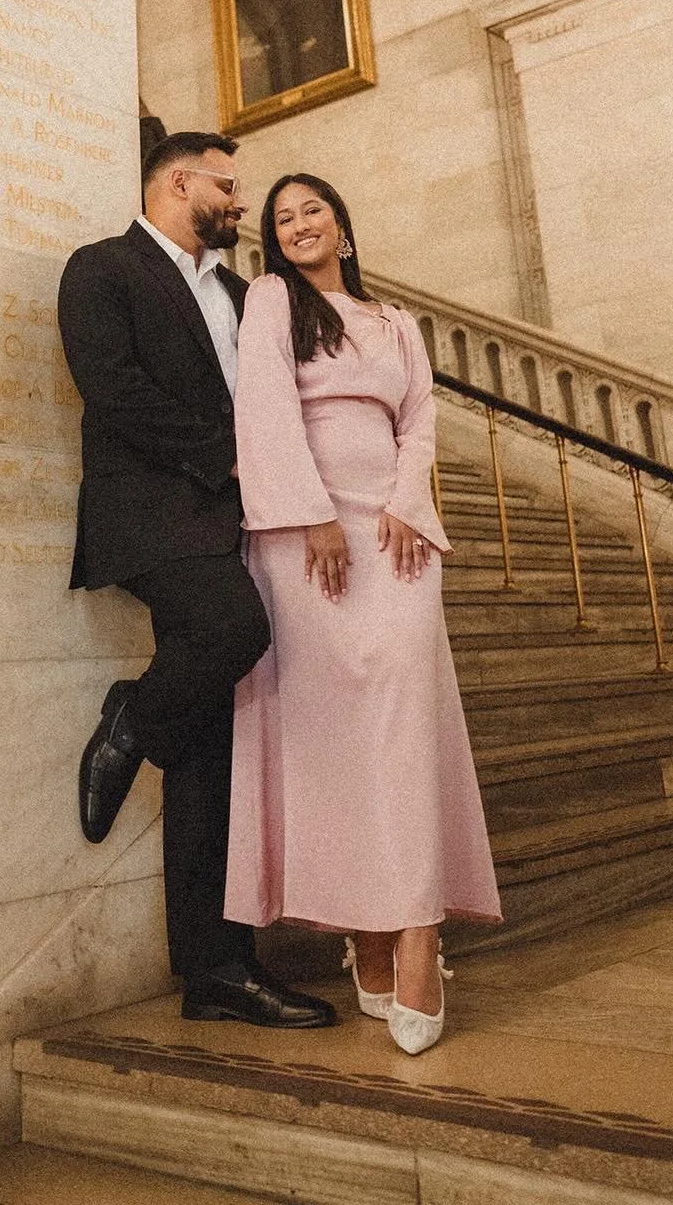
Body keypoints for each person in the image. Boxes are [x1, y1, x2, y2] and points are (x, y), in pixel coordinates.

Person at [58, 133, 336, 1031]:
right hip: (152, 513)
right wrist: (225, 461)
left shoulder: (243, 293)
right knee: (232, 632)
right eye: (226, 183)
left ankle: (216, 968)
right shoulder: (101, 269)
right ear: (180, 182)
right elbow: (113, 388)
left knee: (212, 750)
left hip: (235, 523)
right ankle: (128, 719)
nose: (238, 198)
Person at [225, 173, 502, 1053]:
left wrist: (410, 504)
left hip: (395, 534)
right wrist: (309, 514)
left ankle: (418, 932)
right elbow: (262, 407)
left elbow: (420, 420)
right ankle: (368, 928)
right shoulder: (270, 299)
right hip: (304, 533)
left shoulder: (397, 324)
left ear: (342, 225)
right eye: (282, 218)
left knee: (405, 725)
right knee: (336, 738)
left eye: (313, 211)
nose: (299, 225)